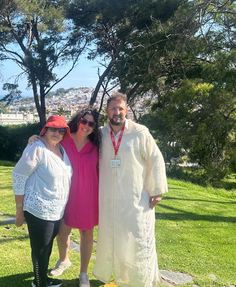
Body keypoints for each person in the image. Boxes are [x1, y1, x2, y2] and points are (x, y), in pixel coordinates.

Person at [92, 92, 168, 287]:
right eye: (113, 108)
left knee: (137, 237)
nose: (117, 112)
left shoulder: (140, 132)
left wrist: (156, 189)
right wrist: (38, 138)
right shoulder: (100, 134)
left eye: (120, 108)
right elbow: (77, 140)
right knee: (112, 235)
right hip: (108, 196)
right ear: (107, 111)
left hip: (135, 196)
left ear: (126, 110)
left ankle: (139, 279)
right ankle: (118, 277)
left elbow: (156, 160)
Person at [29, 107, 101, 287]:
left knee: (86, 234)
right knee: (61, 234)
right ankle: (64, 260)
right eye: (84, 121)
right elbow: (44, 146)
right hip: (64, 195)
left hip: (89, 196)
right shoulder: (64, 141)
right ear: (78, 120)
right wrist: (33, 139)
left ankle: (83, 273)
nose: (86, 126)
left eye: (91, 124)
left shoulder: (97, 146)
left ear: (94, 127)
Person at [13, 115, 73, 287]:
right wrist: (19, 209)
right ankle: (39, 283)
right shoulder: (36, 148)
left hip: (56, 210)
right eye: (53, 129)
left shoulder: (62, 149)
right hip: (38, 209)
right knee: (40, 250)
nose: (57, 133)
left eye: (61, 130)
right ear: (45, 130)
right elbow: (18, 175)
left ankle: (43, 279)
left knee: (47, 247)